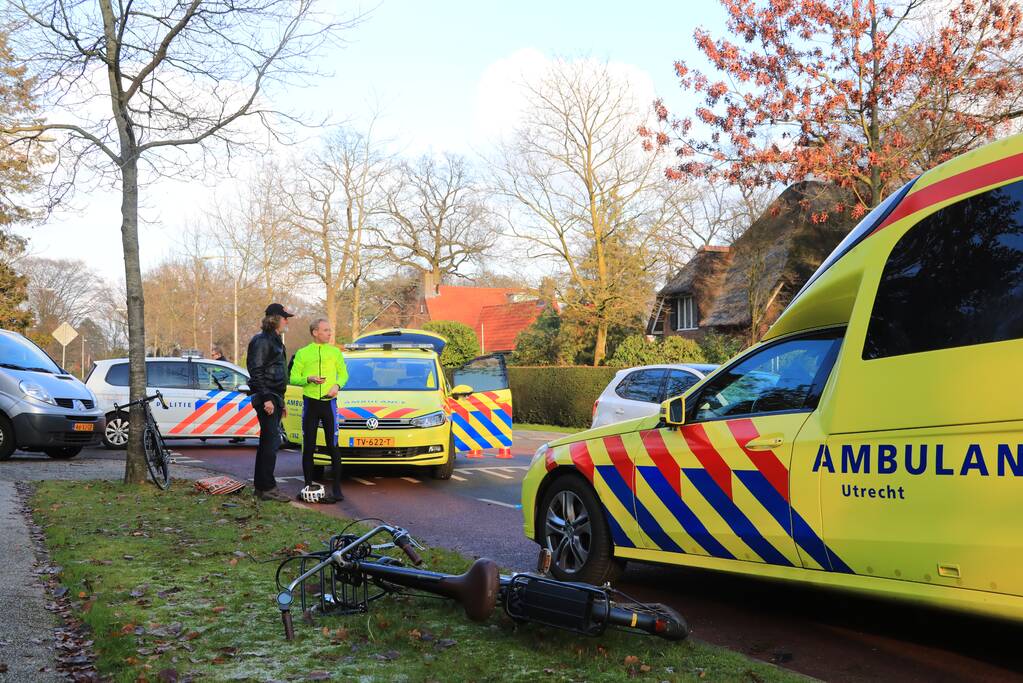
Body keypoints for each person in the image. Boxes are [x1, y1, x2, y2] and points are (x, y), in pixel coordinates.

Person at [289, 318, 348, 503]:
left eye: (330, 330)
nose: (330, 333)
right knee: (308, 446)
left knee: (333, 446)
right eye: (326, 330)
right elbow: (293, 378)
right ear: (315, 332)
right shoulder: (303, 353)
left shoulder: (335, 352)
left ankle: (337, 490)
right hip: (311, 404)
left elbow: (344, 374)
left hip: (329, 403)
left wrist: (337, 385)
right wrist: (309, 379)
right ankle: (308, 486)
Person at [246, 303, 293, 502]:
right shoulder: (262, 341)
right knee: (270, 443)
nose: (287, 321)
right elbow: (255, 370)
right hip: (268, 397)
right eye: (284, 318)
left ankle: (263, 487)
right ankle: (267, 488)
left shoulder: (274, 340)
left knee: (269, 443)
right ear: (275, 319)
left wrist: (281, 401)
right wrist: (266, 398)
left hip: (274, 397)